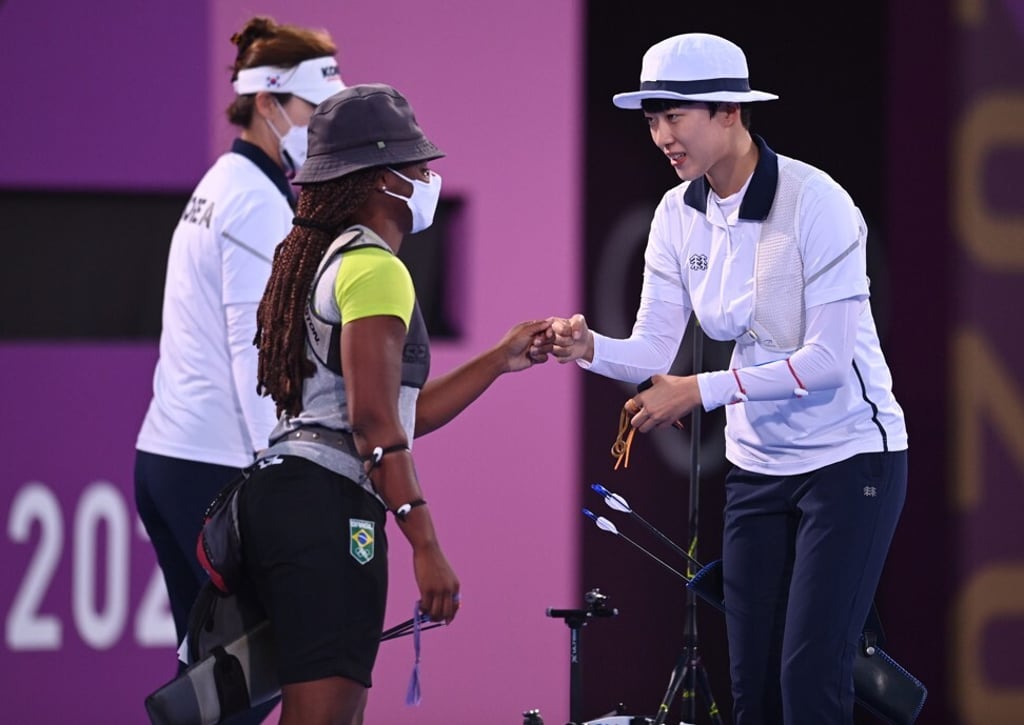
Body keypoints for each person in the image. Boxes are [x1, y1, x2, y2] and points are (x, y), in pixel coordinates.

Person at [545, 33, 908, 725]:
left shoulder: (816, 201)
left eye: (674, 116)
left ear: (730, 113)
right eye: (652, 119)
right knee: (753, 689)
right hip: (755, 468)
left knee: (810, 677)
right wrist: (587, 347)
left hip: (851, 459)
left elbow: (828, 363)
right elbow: (653, 348)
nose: (661, 136)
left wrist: (700, 389)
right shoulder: (676, 213)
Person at [240, 82, 553, 725]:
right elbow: (373, 424)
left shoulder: (324, 260)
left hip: (284, 499)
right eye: (420, 167)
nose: (430, 178)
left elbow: (395, 415)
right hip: (326, 512)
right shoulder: (377, 269)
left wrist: (499, 359)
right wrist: (425, 543)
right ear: (384, 178)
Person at [134, 15, 344, 717]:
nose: (320, 128)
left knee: (207, 686)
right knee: (243, 685)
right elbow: (254, 351)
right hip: (211, 466)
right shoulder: (253, 201)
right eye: (314, 111)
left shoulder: (225, 182)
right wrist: (279, 472)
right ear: (267, 103)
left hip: (170, 458)